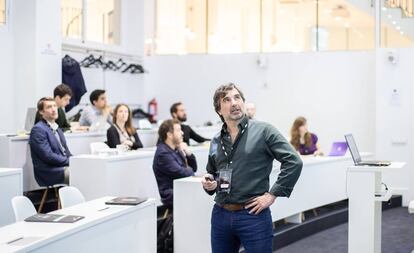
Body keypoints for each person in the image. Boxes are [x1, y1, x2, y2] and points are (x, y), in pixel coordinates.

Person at [201, 83, 302, 253]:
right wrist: (209, 182)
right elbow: (212, 173)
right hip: (220, 215)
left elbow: (293, 161)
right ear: (219, 110)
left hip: (253, 215)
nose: (234, 103)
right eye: (227, 99)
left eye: (237, 97)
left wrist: (272, 194)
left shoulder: (264, 131)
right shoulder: (217, 140)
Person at [153, 119, 197, 208]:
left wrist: (187, 152)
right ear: (169, 134)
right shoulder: (163, 153)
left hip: (181, 188)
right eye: (178, 130)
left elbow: (194, 168)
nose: (182, 133)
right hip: (171, 194)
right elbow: (182, 173)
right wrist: (189, 170)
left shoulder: (176, 149)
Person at [29, 97, 72, 186]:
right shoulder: (38, 129)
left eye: (54, 106)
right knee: (81, 173)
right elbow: (49, 156)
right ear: (41, 112)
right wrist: (70, 161)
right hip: (49, 172)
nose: (53, 109)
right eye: (49, 107)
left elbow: (66, 151)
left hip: (61, 166)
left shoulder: (57, 128)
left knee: (86, 167)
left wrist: (77, 160)